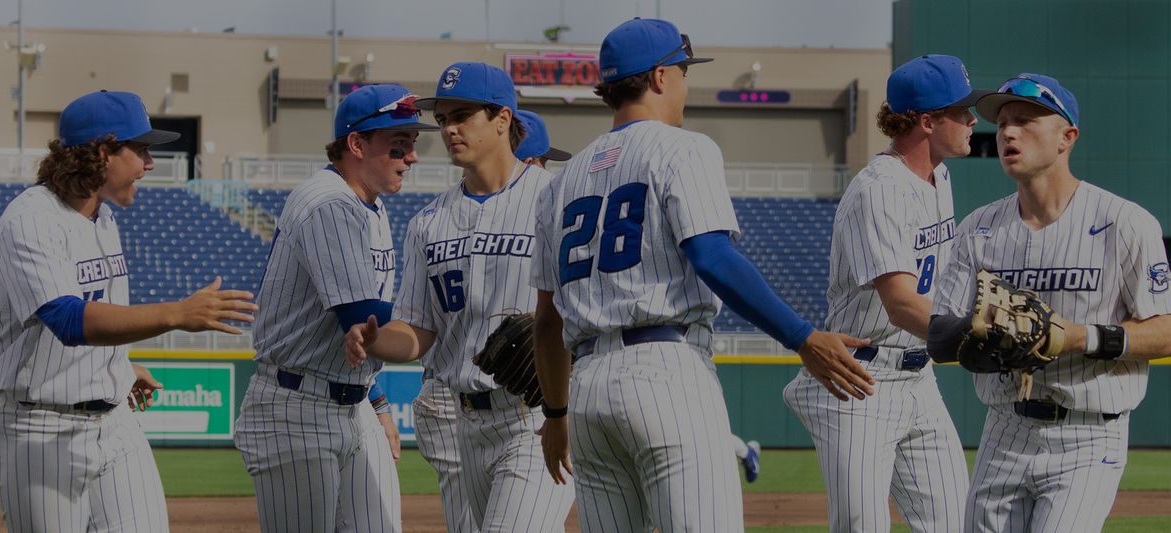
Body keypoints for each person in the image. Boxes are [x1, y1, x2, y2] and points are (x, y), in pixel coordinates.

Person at [529, 18, 874, 532]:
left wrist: (555, 415)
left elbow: (546, 322)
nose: (686, 85)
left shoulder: (560, 181)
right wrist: (803, 337)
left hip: (586, 391)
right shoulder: (682, 148)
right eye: (684, 71)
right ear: (661, 77)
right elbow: (712, 257)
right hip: (664, 370)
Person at [0, 89, 257, 532]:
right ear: (104, 152)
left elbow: (95, 308)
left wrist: (118, 364)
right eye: (142, 149)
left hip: (114, 423)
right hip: (40, 430)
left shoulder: (104, 219)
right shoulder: (30, 219)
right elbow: (69, 320)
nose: (150, 164)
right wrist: (177, 313)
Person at [928, 73, 1171, 532]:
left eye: (1025, 120)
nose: (1007, 132)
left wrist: (1078, 336)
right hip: (1003, 429)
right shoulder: (979, 228)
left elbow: (1165, 330)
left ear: (1067, 137)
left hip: (1088, 431)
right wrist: (989, 331)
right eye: (1001, 123)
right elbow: (938, 336)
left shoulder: (1124, 223)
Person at [344, 62, 575, 532]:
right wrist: (376, 339)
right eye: (443, 118)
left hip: (536, 416)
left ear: (503, 119)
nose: (448, 128)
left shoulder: (555, 199)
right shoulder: (429, 221)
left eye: (463, 115)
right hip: (467, 422)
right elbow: (419, 332)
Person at [783, 54, 982, 532]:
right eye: (962, 111)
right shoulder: (880, 189)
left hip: (919, 376)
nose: (973, 119)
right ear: (928, 121)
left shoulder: (941, 177)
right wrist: (983, 330)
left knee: (957, 522)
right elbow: (902, 304)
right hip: (860, 381)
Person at [233, 84, 437, 533]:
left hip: (353, 402)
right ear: (356, 144)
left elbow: (363, 333)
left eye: (413, 144)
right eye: (397, 145)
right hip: (296, 408)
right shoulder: (329, 202)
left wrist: (378, 401)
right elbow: (363, 315)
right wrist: (458, 320)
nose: (412, 157)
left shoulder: (371, 206)